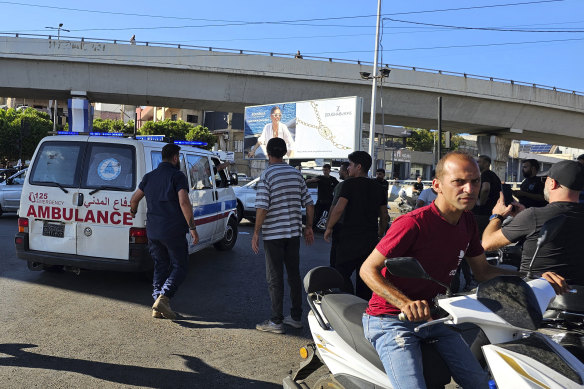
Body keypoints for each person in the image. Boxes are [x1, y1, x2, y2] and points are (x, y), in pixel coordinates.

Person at [359, 151, 568, 389]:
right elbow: (368, 269)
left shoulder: (466, 221)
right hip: (390, 319)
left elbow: (483, 271)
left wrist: (533, 278)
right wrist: (405, 303)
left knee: (479, 382)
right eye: (459, 182)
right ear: (437, 185)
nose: (469, 189)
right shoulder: (413, 223)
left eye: (475, 181)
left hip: (432, 318)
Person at [482, 160, 584, 285]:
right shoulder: (532, 217)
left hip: (539, 296)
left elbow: (487, 244)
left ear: (552, 183)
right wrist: (522, 217)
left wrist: (497, 216)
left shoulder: (534, 216)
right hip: (578, 297)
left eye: (544, 180)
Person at [130, 143, 199, 320]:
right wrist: (192, 227)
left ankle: (157, 305)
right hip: (173, 231)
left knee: (160, 265)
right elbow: (184, 202)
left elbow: (134, 199)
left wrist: (133, 211)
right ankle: (164, 297)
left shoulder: (149, 177)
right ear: (175, 158)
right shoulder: (178, 176)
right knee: (180, 266)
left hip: (153, 230)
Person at [252, 137, 315, 334]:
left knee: (275, 278)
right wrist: (309, 227)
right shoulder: (296, 175)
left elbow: (262, 207)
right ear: (285, 152)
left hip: (273, 236)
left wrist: (255, 232)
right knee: (294, 276)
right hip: (293, 234)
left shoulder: (267, 175)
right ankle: (296, 317)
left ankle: (276, 321)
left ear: (268, 154)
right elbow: (309, 203)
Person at [324, 151, 388, 300]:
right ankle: (363, 308)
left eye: (351, 165)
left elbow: (339, 208)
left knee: (341, 274)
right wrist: (380, 232)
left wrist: (329, 227)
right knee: (365, 275)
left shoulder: (348, 184)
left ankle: (348, 303)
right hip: (369, 239)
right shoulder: (379, 187)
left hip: (348, 238)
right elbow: (384, 215)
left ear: (359, 167)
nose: (348, 168)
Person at [472, 155, 502, 234]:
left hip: (483, 213)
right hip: (491, 212)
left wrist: (481, 202)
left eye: (479, 162)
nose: (477, 164)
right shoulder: (493, 175)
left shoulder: (485, 175)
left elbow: (486, 188)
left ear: (487, 164)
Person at [328, 162, 350, 267]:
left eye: (340, 170)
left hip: (341, 226)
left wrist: (329, 226)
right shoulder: (370, 185)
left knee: (336, 260)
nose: (339, 172)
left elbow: (335, 208)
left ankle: (336, 280)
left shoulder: (342, 185)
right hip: (361, 229)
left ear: (346, 171)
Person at [306, 164, 339, 230]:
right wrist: (312, 180)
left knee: (330, 215)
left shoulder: (333, 179)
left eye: (326, 170)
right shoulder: (320, 178)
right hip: (321, 200)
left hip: (329, 200)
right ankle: (312, 229)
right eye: (324, 170)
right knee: (316, 216)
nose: (325, 172)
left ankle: (329, 228)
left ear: (329, 170)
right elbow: (307, 181)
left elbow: (338, 186)